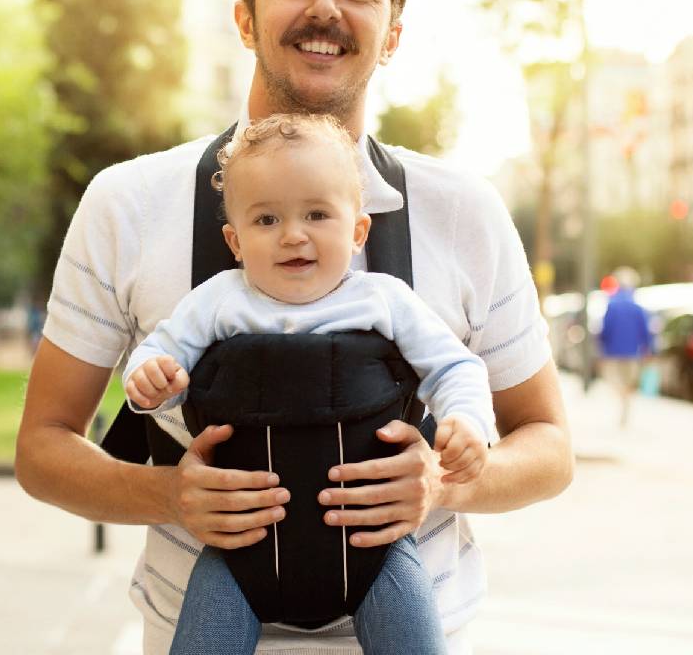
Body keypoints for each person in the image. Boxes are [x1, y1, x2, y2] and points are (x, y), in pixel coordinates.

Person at [15, 0, 573, 654]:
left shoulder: (465, 211)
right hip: (198, 621)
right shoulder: (129, 203)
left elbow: (548, 445)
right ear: (243, 18)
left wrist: (446, 482)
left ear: (393, 33)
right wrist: (171, 495)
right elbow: (42, 449)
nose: (326, 8)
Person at [125, 113, 494, 654]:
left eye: (317, 214)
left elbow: (455, 367)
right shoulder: (220, 300)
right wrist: (153, 380)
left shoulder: (383, 299)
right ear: (235, 240)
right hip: (239, 551)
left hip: (375, 548)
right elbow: (158, 358)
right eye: (267, 219)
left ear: (358, 229)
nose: (294, 234)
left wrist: (467, 422)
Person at [596, 267, 653, 428]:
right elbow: (645, 332)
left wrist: (601, 348)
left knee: (614, 382)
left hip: (613, 352)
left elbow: (605, 329)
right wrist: (648, 349)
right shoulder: (637, 307)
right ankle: (625, 403)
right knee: (629, 382)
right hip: (632, 352)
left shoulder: (612, 305)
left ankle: (622, 401)